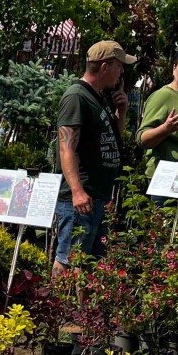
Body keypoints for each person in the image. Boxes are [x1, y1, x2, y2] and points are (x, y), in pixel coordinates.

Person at [53, 40, 136, 271]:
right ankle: (59, 306)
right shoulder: (76, 97)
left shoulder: (98, 97)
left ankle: (82, 308)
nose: (122, 72)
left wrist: (121, 113)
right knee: (69, 260)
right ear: (105, 66)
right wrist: (78, 192)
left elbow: (111, 141)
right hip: (81, 198)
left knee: (89, 262)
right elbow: (66, 147)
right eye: (120, 66)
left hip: (99, 196)